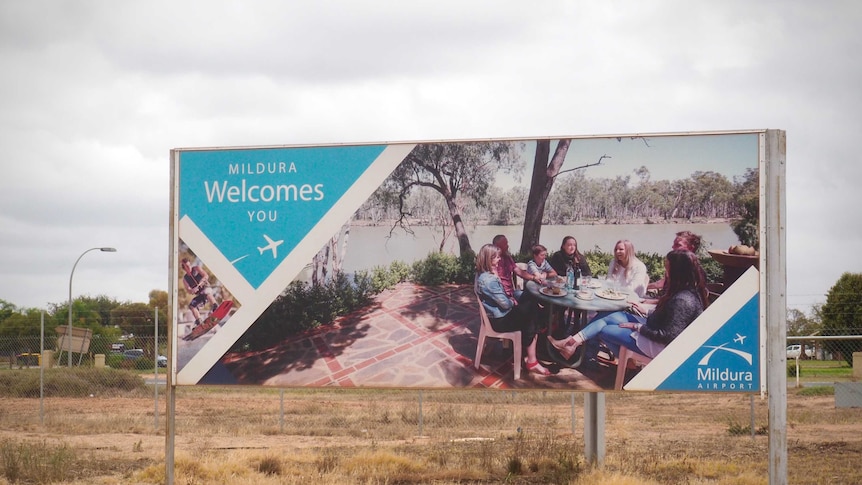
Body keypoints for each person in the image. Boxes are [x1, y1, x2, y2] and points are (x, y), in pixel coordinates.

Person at [549, 249, 708, 360]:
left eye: (668, 269)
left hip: (660, 347)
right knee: (605, 315)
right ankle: (571, 344)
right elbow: (669, 318)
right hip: (653, 325)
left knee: (604, 329)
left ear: (677, 271)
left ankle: (628, 361)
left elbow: (669, 336)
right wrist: (646, 312)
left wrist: (637, 327)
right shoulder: (684, 291)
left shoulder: (683, 300)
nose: (665, 273)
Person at [475, 244, 550, 376]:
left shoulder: (482, 275)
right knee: (532, 309)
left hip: (497, 316)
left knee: (531, 304)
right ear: (488, 258)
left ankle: (536, 335)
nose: (499, 260)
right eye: (496, 258)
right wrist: (512, 301)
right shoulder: (489, 280)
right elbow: (506, 304)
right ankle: (533, 355)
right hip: (499, 321)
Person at [492, 234, 541, 299]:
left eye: (507, 243)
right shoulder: (493, 262)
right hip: (502, 295)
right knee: (529, 299)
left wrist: (533, 277)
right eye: (505, 244)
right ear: (497, 247)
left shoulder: (507, 257)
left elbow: (518, 271)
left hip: (512, 292)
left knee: (533, 294)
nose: (507, 246)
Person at [181, 258, 218, 327]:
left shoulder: (196, 268)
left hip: (206, 288)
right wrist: (192, 290)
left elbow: (206, 275)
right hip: (200, 295)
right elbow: (188, 290)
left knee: (206, 292)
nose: (189, 267)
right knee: (192, 306)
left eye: (189, 265)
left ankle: (215, 306)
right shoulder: (185, 279)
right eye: (187, 266)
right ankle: (199, 321)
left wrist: (200, 283)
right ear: (184, 268)